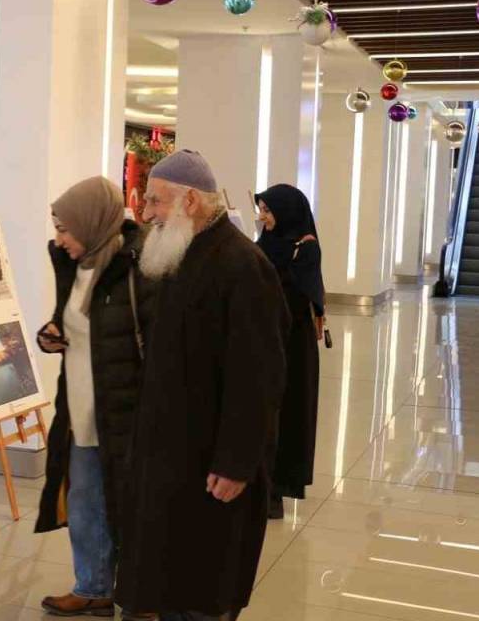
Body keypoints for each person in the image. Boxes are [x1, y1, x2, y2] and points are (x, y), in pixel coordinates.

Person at [115, 150, 289, 621]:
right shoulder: (182, 252)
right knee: (168, 581)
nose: (146, 212)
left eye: (155, 201)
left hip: (213, 463)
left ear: (190, 200)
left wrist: (236, 463)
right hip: (170, 455)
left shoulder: (241, 265)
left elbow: (259, 377)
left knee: (202, 588)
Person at [34, 176, 158, 618]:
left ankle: (141, 594)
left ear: (90, 221)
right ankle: (92, 586)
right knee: (86, 501)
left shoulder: (138, 264)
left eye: (64, 228)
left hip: (126, 411)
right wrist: (50, 334)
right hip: (81, 408)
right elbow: (69, 323)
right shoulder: (74, 266)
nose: (59, 238)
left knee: (132, 505)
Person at [255, 184, 325, 519]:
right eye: (262, 210)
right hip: (267, 340)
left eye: (267, 211)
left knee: (286, 414)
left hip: (293, 348)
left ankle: (276, 491)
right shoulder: (265, 244)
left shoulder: (305, 249)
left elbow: (300, 297)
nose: (262, 217)